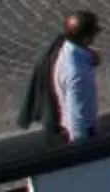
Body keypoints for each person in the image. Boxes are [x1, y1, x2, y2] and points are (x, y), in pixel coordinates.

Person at [17, 11, 100, 145]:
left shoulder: (62, 47)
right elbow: (77, 118)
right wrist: (83, 149)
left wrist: (88, 56)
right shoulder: (77, 73)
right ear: (86, 38)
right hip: (74, 136)